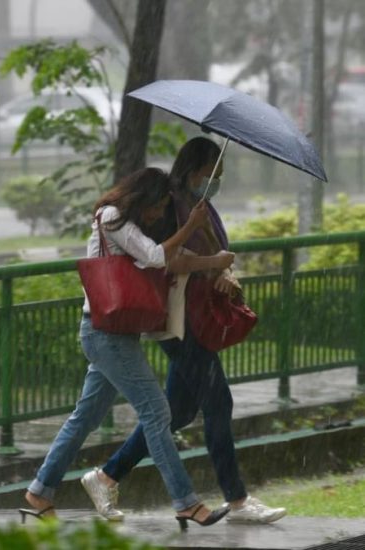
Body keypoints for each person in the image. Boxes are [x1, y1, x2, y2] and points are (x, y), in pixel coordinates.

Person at [81, 137, 287, 524]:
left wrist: (224, 272)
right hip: (180, 322)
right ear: (194, 170)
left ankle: (106, 475)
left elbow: (217, 255)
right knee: (219, 403)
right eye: (212, 175)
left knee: (177, 411)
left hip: (198, 317)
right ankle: (238, 500)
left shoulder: (201, 206)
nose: (216, 182)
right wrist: (212, 262)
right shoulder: (170, 206)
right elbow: (166, 260)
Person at [21, 167, 236, 528]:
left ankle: (39, 492)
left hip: (115, 334)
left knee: (85, 418)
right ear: (142, 198)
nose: (156, 215)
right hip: (104, 335)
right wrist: (190, 225)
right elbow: (154, 256)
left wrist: (205, 238)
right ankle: (185, 501)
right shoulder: (111, 217)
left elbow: (160, 255)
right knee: (157, 412)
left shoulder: (127, 222)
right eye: (155, 208)